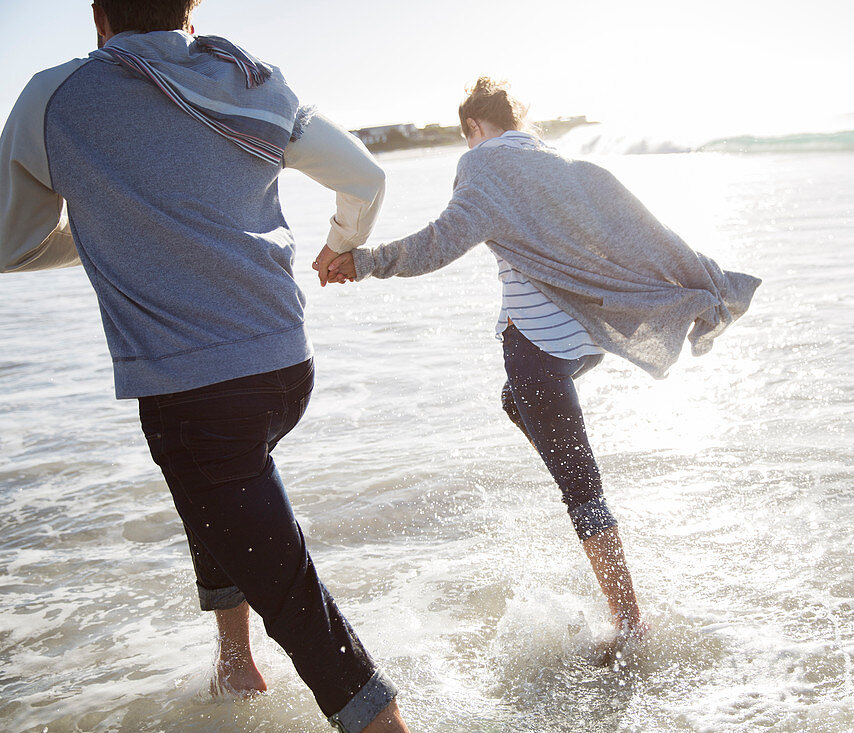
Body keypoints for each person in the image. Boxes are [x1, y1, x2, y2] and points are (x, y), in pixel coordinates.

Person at [0, 2, 408, 731]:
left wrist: (103, 218)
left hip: (197, 396)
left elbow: (9, 240)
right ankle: (234, 665)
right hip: (288, 368)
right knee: (218, 494)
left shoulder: (54, 97)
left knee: (303, 614)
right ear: (191, 11)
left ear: (98, 16)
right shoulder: (254, 79)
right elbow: (367, 178)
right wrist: (342, 244)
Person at [318, 78, 761, 638]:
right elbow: (639, 231)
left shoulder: (483, 166)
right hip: (584, 339)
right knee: (516, 404)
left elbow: (440, 242)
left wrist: (362, 262)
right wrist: (698, 280)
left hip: (535, 344)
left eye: (468, 137)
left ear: (474, 128)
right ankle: (574, 477)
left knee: (581, 487)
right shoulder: (565, 167)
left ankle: (630, 624)